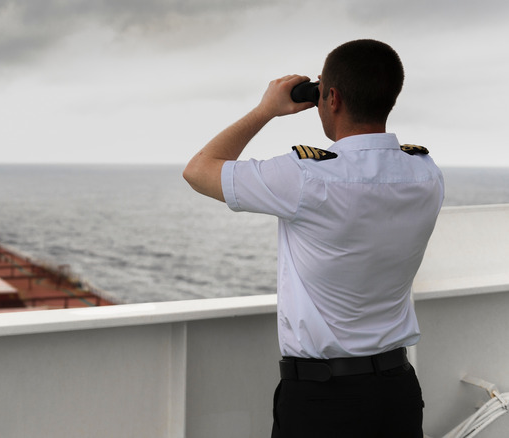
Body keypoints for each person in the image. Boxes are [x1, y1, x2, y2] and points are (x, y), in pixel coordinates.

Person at [183, 39, 444, 437]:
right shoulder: (426, 174)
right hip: (397, 393)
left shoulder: (307, 177)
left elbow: (199, 169)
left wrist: (266, 110)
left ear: (332, 98)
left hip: (322, 400)